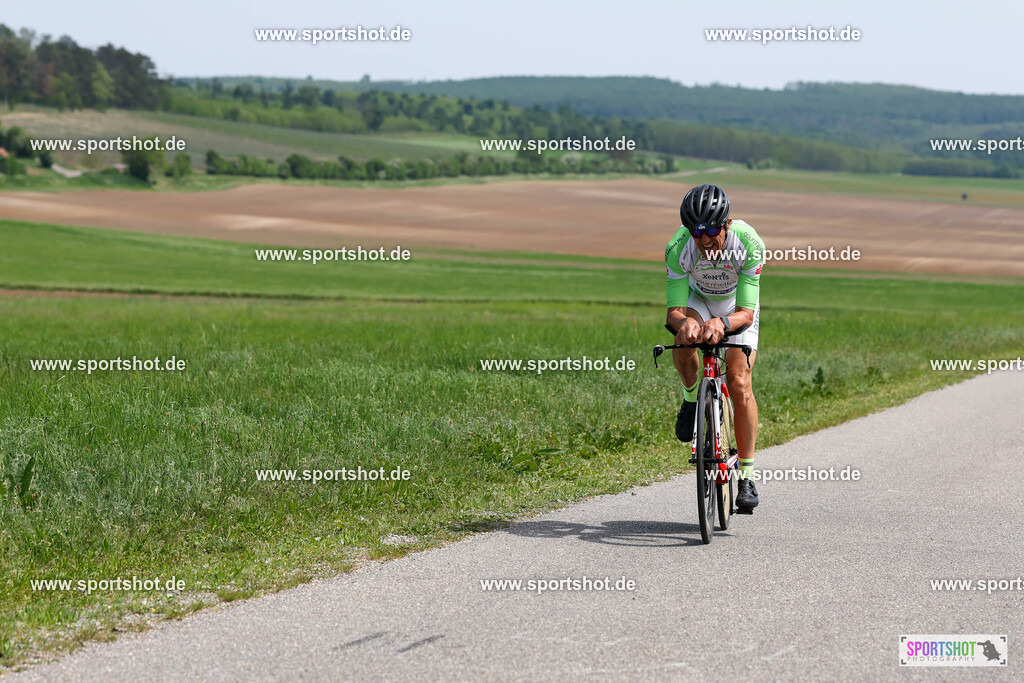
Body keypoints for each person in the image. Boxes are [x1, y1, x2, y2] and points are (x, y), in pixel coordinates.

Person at [664, 184, 765, 511]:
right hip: (700, 300)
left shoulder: (749, 244)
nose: (704, 239)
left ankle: (746, 476)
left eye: (710, 230)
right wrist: (685, 325)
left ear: (727, 223)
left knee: (738, 382)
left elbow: (747, 313)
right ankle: (692, 399)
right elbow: (673, 312)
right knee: (684, 340)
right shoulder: (677, 248)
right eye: (696, 232)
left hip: (737, 306)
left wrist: (722, 324)